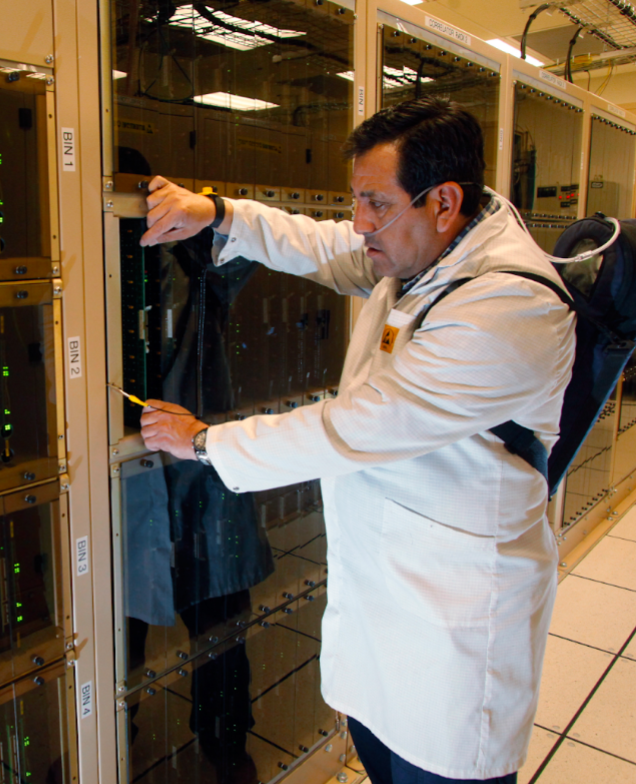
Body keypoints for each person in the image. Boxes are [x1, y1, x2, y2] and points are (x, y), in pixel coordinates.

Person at [136, 97, 576, 784]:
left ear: (443, 200)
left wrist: (204, 442)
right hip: (388, 608)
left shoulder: (507, 305)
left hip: (452, 626)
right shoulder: (427, 249)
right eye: (355, 201)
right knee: (382, 758)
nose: (359, 223)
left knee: (436, 768)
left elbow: (358, 426)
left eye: (374, 203)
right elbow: (320, 244)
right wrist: (218, 214)